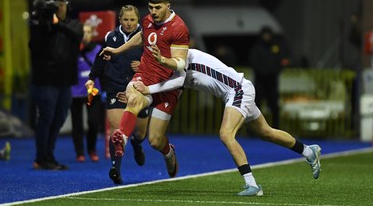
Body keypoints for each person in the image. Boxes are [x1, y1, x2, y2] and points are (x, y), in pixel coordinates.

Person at [133, 48, 321, 196]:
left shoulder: (182, 59)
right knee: (266, 132)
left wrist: (147, 89)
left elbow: (175, 81)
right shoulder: (172, 68)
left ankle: (252, 184)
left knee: (226, 134)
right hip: (236, 91)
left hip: (237, 90)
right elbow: (170, 88)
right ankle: (307, 151)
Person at [99, 0, 190, 181]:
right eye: (150, 7)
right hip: (145, 75)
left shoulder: (179, 28)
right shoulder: (147, 20)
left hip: (167, 84)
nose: (153, 12)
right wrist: (117, 50)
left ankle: (169, 152)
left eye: (158, 7)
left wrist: (162, 60)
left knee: (155, 141)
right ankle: (122, 137)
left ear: (168, 6)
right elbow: (141, 37)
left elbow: (181, 63)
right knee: (133, 97)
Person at [86, 5, 150, 184]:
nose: (129, 23)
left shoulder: (146, 38)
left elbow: (157, 63)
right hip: (115, 87)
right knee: (116, 128)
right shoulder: (110, 37)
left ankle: (137, 146)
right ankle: (116, 169)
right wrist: (92, 78)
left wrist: (143, 66)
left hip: (139, 88)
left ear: (138, 21)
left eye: (132, 20)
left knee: (140, 133)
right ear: (119, 20)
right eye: (125, 20)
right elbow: (100, 58)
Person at [29, 0, 83, 170]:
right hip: (45, 82)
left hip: (64, 83)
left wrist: (56, 23)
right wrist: (38, 20)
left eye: (61, 3)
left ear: (68, 6)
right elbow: (34, 46)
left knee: (58, 119)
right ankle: (41, 158)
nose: (58, 7)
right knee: (46, 118)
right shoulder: (43, 26)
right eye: (54, 4)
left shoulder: (74, 25)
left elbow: (76, 35)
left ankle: (48, 156)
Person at [70, 22, 103, 163]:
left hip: (93, 91)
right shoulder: (72, 50)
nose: (85, 35)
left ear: (93, 34)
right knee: (77, 124)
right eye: (83, 32)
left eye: (88, 32)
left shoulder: (99, 50)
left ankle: (92, 149)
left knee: (93, 122)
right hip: (75, 92)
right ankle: (80, 152)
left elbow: (105, 70)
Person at [248, 26, 291, 128]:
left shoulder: (276, 48)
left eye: (268, 34)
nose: (266, 37)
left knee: (274, 107)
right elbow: (253, 62)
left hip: (272, 82)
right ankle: (254, 129)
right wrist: (263, 72)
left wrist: (273, 72)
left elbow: (282, 61)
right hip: (260, 81)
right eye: (265, 34)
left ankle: (276, 128)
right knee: (256, 106)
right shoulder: (257, 48)